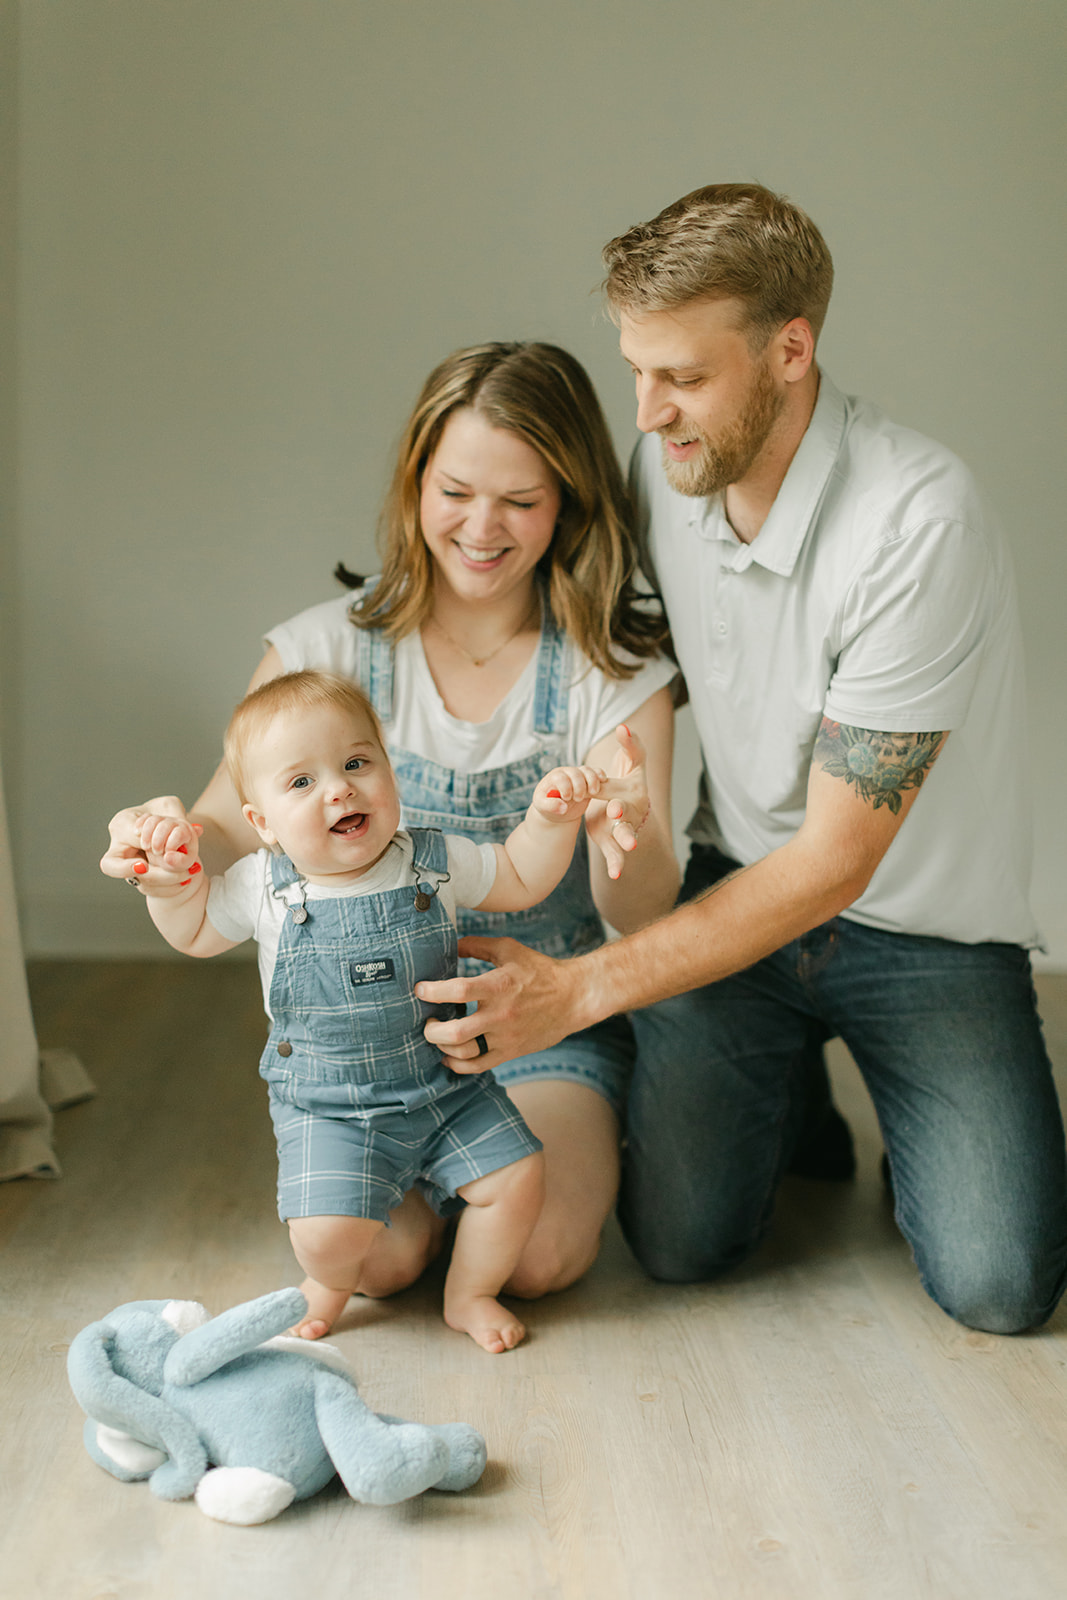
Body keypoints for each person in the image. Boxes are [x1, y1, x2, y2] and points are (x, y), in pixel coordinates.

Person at [415, 183, 1067, 1336]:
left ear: (790, 350)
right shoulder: (669, 463)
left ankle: (874, 1093)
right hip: (739, 891)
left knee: (1001, 1288)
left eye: (682, 376)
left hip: (922, 936)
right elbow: (567, 614)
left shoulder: (919, 521)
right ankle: (791, 1084)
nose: (647, 411)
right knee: (678, 1244)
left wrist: (575, 989)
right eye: (636, 370)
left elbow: (832, 864)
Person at [102, 341, 681, 1303]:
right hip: (362, 1059)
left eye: (520, 501)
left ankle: (479, 1199)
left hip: (538, 1027)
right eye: (454, 491)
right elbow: (225, 829)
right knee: (377, 1262)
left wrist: (628, 828)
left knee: (537, 1259)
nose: (481, 528)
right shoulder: (323, 647)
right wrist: (166, 843)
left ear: (569, 503)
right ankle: (419, 1196)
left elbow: (642, 911)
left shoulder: (611, 672)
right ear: (415, 484)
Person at [133, 669, 632, 1352]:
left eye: (356, 764)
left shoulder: (431, 859)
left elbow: (518, 877)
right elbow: (193, 932)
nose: (339, 789)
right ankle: (328, 1283)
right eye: (301, 782)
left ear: (388, 770)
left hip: (446, 1086)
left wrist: (548, 821)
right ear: (262, 824)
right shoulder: (261, 887)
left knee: (519, 1179)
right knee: (325, 1236)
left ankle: (469, 1292)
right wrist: (168, 886)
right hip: (330, 1105)